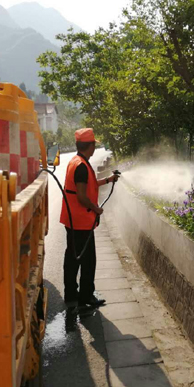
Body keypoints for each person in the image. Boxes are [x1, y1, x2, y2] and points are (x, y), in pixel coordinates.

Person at [60, 128, 119, 308]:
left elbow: (88, 185)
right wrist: (96, 208)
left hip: (72, 219)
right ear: (90, 146)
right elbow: (81, 196)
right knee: (87, 261)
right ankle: (86, 296)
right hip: (81, 221)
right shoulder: (81, 167)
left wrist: (108, 180)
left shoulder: (76, 161)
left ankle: (71, 295)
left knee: (72, 258)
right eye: (94, 144)